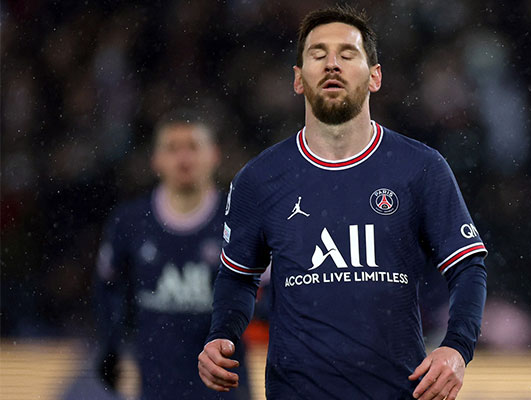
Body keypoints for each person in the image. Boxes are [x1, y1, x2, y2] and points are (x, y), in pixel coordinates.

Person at [198, 6, 488, 400]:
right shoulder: (259, 179)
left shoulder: (420, 168)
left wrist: (457, 347)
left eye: (347, 54)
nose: (332, 64)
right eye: (318, 54)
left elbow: (467, 266)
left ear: (375, 76)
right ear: (298, 79)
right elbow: (237, 277)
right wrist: (221, 334)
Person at [94, 109, 251, 400]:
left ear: (214, 154)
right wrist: (111, 346)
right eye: (172, 148)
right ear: (155, 159)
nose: (183, 158)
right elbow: (109, 290)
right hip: (155, 386)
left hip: (226, 390)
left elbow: (271, 298)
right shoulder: (130, 222)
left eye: (193, 146)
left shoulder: (241, 222)